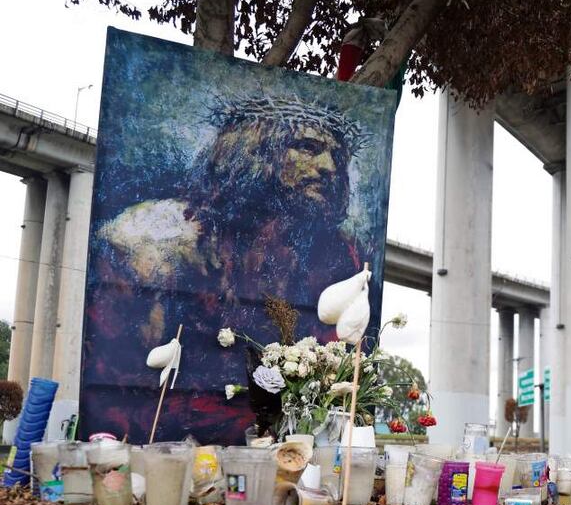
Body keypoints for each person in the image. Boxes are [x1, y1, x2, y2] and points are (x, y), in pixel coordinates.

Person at [82, 95, 375, 444]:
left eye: (336, 157)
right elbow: (121, 371)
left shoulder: (336, 255)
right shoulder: (158, 238)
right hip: (160, 441)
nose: (328, 167)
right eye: (307, 148)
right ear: (256, 148)